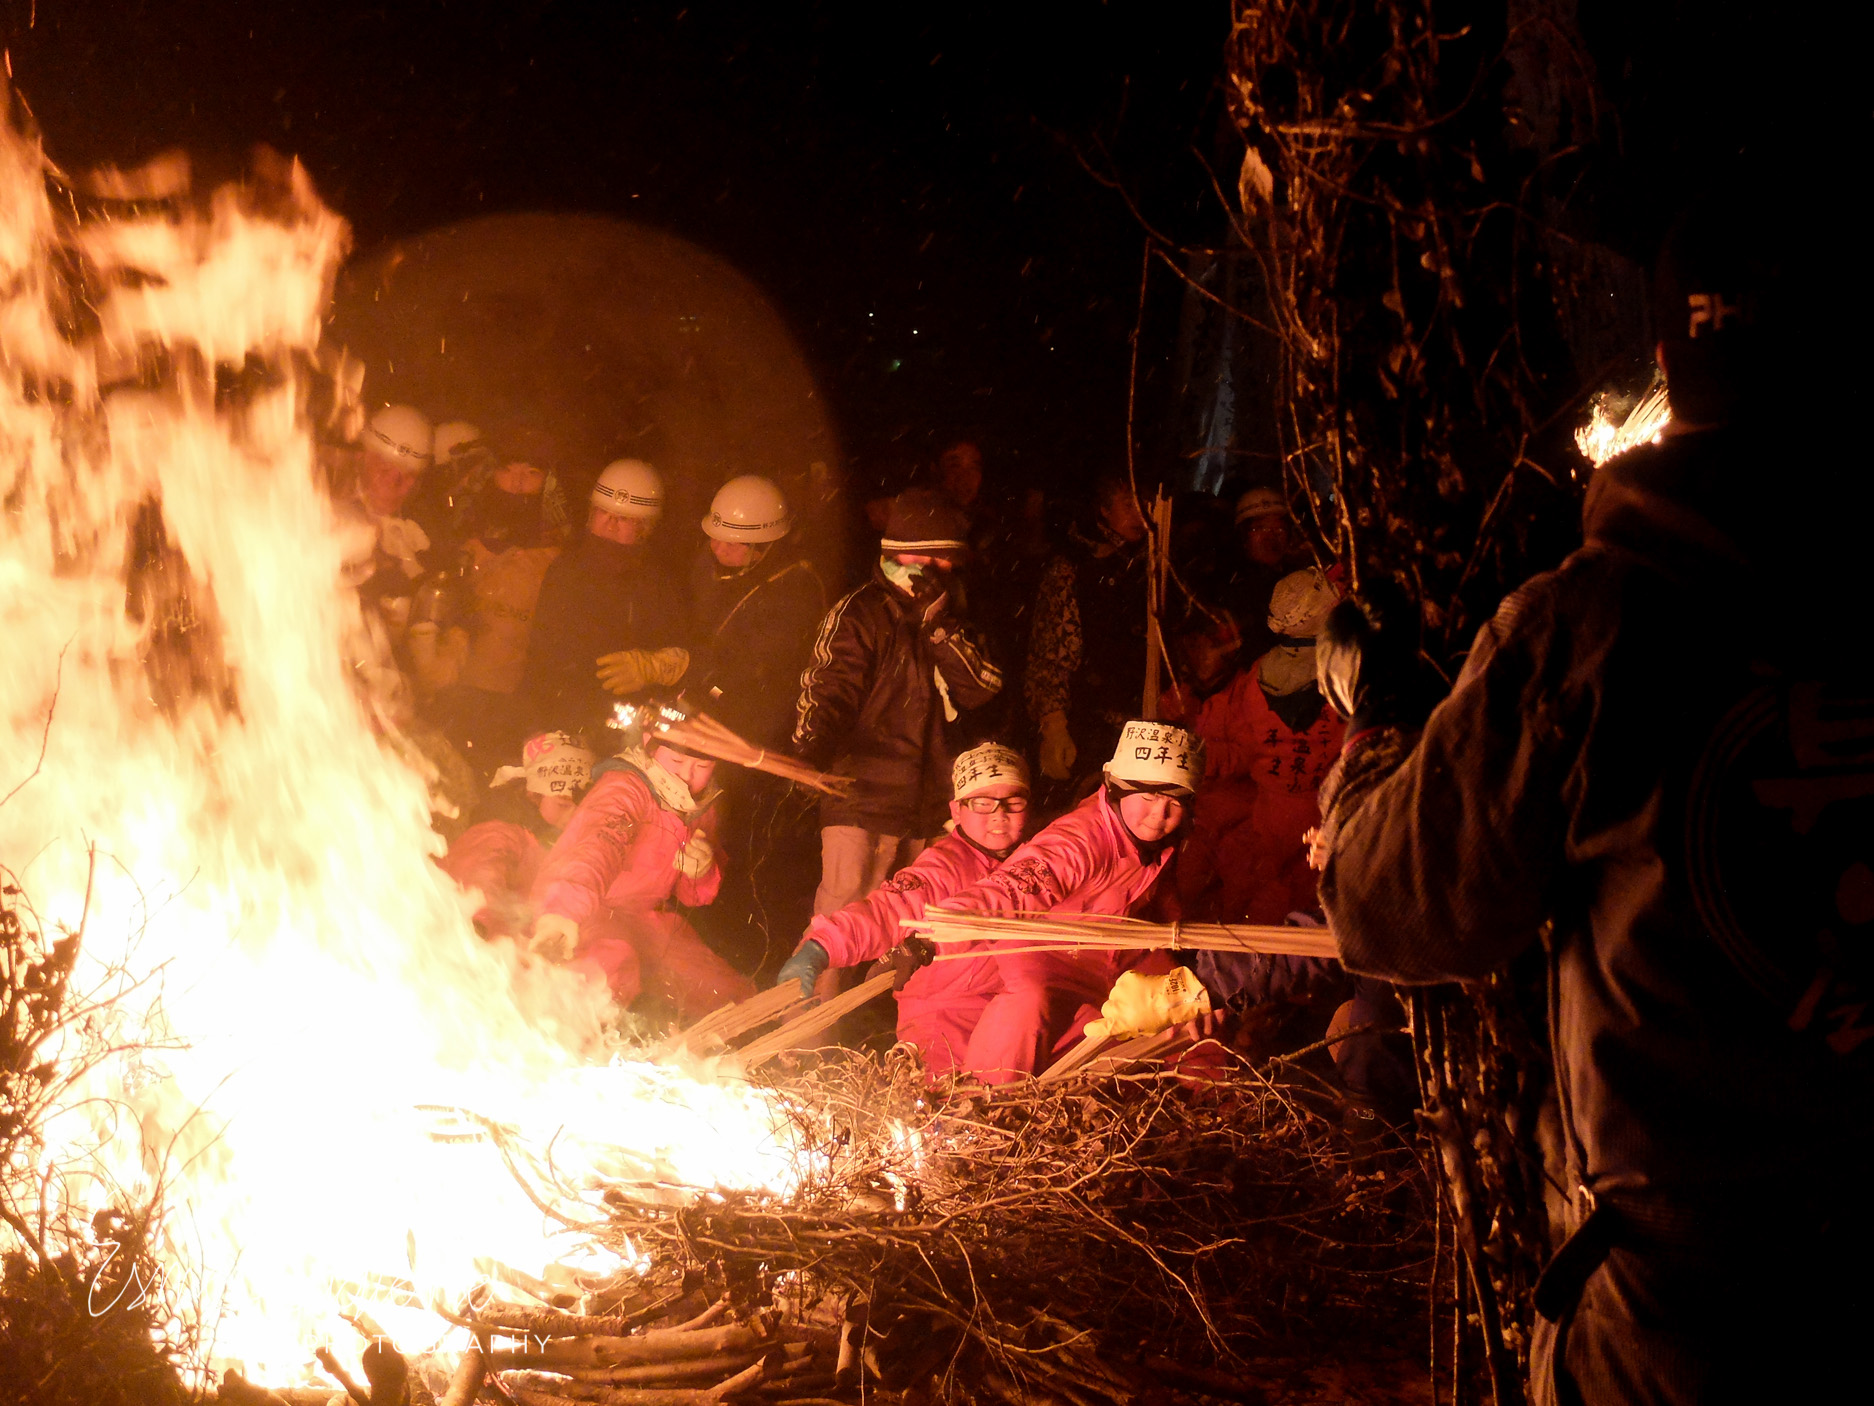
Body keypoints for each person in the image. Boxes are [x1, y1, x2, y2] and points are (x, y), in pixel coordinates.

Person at [1313, 205, 1872, 1402]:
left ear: (1667, 367)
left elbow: (1390, 907)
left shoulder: (1594, 626)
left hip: (1678, 1317)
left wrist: (1379, 732)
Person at [922, 721, 1203, 1082]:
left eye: (1173, 803)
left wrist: (1192, 967)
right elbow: (1024, 880)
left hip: (1113, 955)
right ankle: (982, 1107)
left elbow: (1163, 905)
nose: (1158, 815)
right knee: (1026, 1007)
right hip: (1046, 957)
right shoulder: (1084, 836)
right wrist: (953, 922)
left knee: (1194, 1004)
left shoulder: (1162, 841)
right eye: (1148, 797)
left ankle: (1219, 1111)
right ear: (1116, 790)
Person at [794, 487, 1003, 917]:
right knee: (845, 918)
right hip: (862, 799)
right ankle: (817, 987)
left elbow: (982, 689)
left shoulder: (954, 611)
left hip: (932, 802)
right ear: (912, 554)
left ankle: (890, 989)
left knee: (915, 922)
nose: (947, 567)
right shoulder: (860, 612)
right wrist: (812, 749)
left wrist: (940, 627)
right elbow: (830, 688)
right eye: (940, 556)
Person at [773, 743, 1031, 1076]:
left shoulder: (1037, 863)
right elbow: (890, 907)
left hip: (1008, 1011)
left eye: (1013, 802)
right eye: (982, 802)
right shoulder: (944, 866)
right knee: (944, 1109)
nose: (999, 814)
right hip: (942, 1016)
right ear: (956, 810)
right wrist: (823, 946)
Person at [528, 724, 755, 1019]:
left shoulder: (700, 807)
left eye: (702, 765)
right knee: (608, 967)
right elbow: (598, 845)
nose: (685, 774)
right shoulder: (626, 787)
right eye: (676, 761)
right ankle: (581, 1041)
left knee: (726, 995)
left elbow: (691, 896)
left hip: (644, 920)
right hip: (585, 907)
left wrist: (701, 871)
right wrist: (563, 914)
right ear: (650, 743)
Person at [1173, 566, 1345, 925]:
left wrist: (1195, 755)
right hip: (1320, 815)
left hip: (1269, 810)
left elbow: (1243, 749)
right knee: (1301, 898)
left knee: (1253, 893)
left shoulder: (1255, 678)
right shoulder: (1343, 677)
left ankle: (1232, 960)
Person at [521, 459, 688, 737]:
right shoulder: (566, 569)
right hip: (564, 719)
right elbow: (541, 653)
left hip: (629, 725)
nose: (609, 524)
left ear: (645, 527)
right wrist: (536, 723)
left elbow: (681, 650)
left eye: (623, 518)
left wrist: (652, 667)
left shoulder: (659, 582)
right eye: (602, 512)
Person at [1025, 474, 1151, 795]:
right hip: (1091, 722)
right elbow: (1049, 651)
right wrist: (1053, 722)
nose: (1140, 513)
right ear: (1104, 510)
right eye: (1128, 504)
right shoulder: (1074, 567)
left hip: (1146, 720)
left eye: (1144, 503)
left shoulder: (1156, 566)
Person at [689, 475, 826, 748]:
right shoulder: (709, 565)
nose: (717, 547)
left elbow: (757, 672)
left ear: (761, 546)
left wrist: (698, 677)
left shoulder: (794, 589)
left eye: (730, 543)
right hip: (705, 695)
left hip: (752, 722)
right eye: (715, 538)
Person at [439, 731, 593, 938]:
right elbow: (480, 874)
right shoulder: (500, 832)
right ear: (533, 794)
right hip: (485, 949)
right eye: (562, 803)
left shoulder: (557, 841)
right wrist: (479, 925)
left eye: (580, 804)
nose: (573, 812)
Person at [347, 403, 435, 638]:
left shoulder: (418, 541)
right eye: (385, 469)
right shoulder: (319, 517)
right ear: (361, 457)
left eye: (409, 475)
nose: (395, 484)